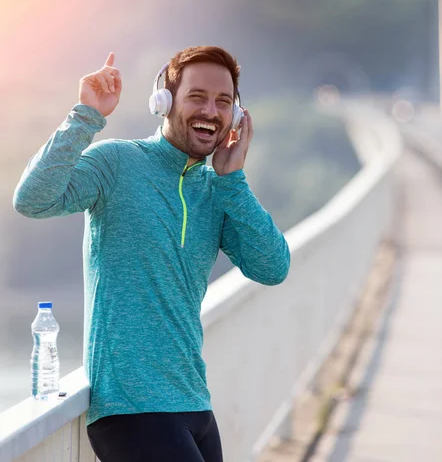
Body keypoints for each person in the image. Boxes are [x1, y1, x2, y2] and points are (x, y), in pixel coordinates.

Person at [13, 45, 290, 462]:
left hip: (196, 406)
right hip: (131, 411)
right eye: (197, 97)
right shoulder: (116, 162)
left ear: (235, 115)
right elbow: (32, 200)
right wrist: (86, 115)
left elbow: (274, 267)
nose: (211, 111)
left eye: (223, 102)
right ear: (164, 101)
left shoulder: (219, 190)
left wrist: (233, 180)